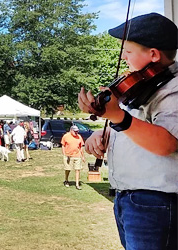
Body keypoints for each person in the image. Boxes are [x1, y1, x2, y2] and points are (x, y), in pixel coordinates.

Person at [78, 13, 178, 249]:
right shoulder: (142, 87)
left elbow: (167, 143)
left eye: (128, 51)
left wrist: (117, 117)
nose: (123, 57)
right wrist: (104, 133)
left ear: (153, 54)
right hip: (130, 198)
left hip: (155, 200)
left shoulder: (172, 90)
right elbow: (136, 130)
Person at [61, 126, 85, 190]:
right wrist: (64, 154)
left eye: (77, 131)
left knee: (78, 169)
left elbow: (81, 147)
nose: (76, 132)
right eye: (75, 131)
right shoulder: (66, 136)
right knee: (68, 169)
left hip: (77, 155)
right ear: (71, 130)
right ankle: (66, 180)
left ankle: (77, 184)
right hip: (68, 156)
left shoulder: (79, 137)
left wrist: (83, 156)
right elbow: (63, 145)